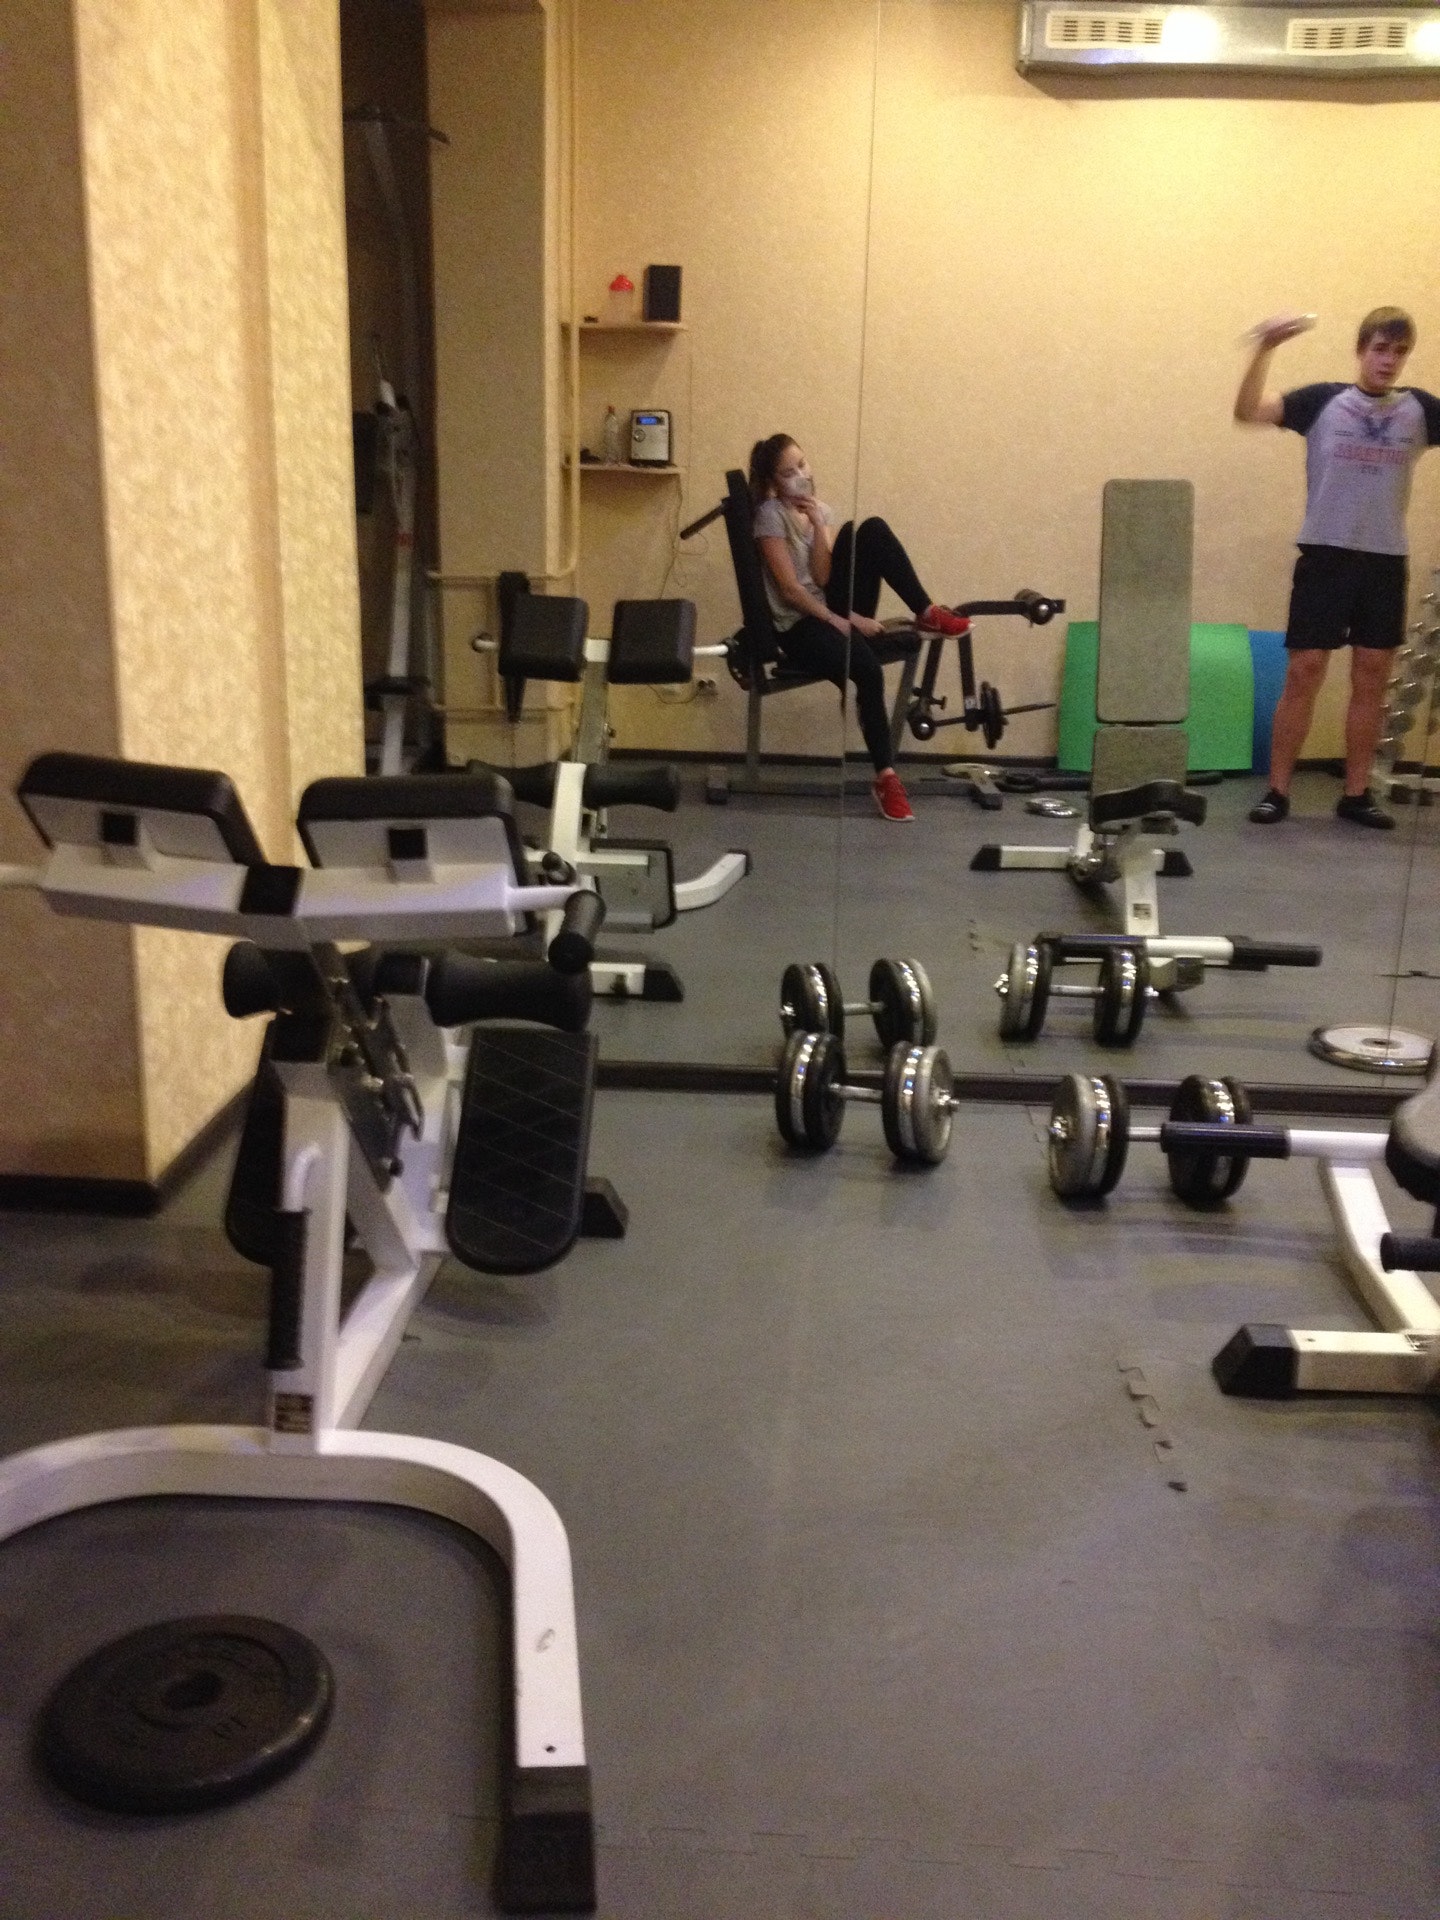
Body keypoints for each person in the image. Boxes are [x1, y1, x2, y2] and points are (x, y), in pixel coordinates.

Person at [1235, 307, 1440, 829]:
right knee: (1304, 672)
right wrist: (1265, 349)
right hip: (1326, 555)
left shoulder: (1419, 409)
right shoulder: (1323, 401)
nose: (1388, 360)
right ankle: (1278, 791)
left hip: (1384, 560)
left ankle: (1355, 794)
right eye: (1380, 349)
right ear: (1361, 350)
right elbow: (1248, 410)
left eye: (1399, 352)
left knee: (1372, 677)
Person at [749, 433, 970, 823]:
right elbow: (790, 590)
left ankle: (926, 611)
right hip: (798, 625)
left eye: (802, 464)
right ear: (773, 481)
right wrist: (841, 620)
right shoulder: (770, 514)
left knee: (869, 530)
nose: (801, 475)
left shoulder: (819, 510)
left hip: (828, 608)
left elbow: (822, 577)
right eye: (788, 472)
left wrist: (818, 524)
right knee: (866, 669)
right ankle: (886, 778)